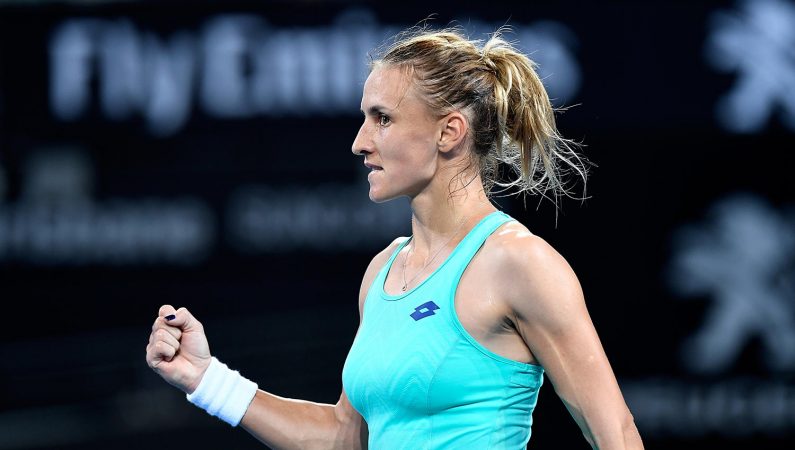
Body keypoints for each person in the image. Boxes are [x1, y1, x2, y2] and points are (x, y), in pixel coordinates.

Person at [146, 26, 644, 449]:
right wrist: (206, 379)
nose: (359, 142)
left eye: (382, 119)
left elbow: (617, 435)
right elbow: (345, 437)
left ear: (449, 132)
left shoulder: (520, 263)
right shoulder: (382, 272)